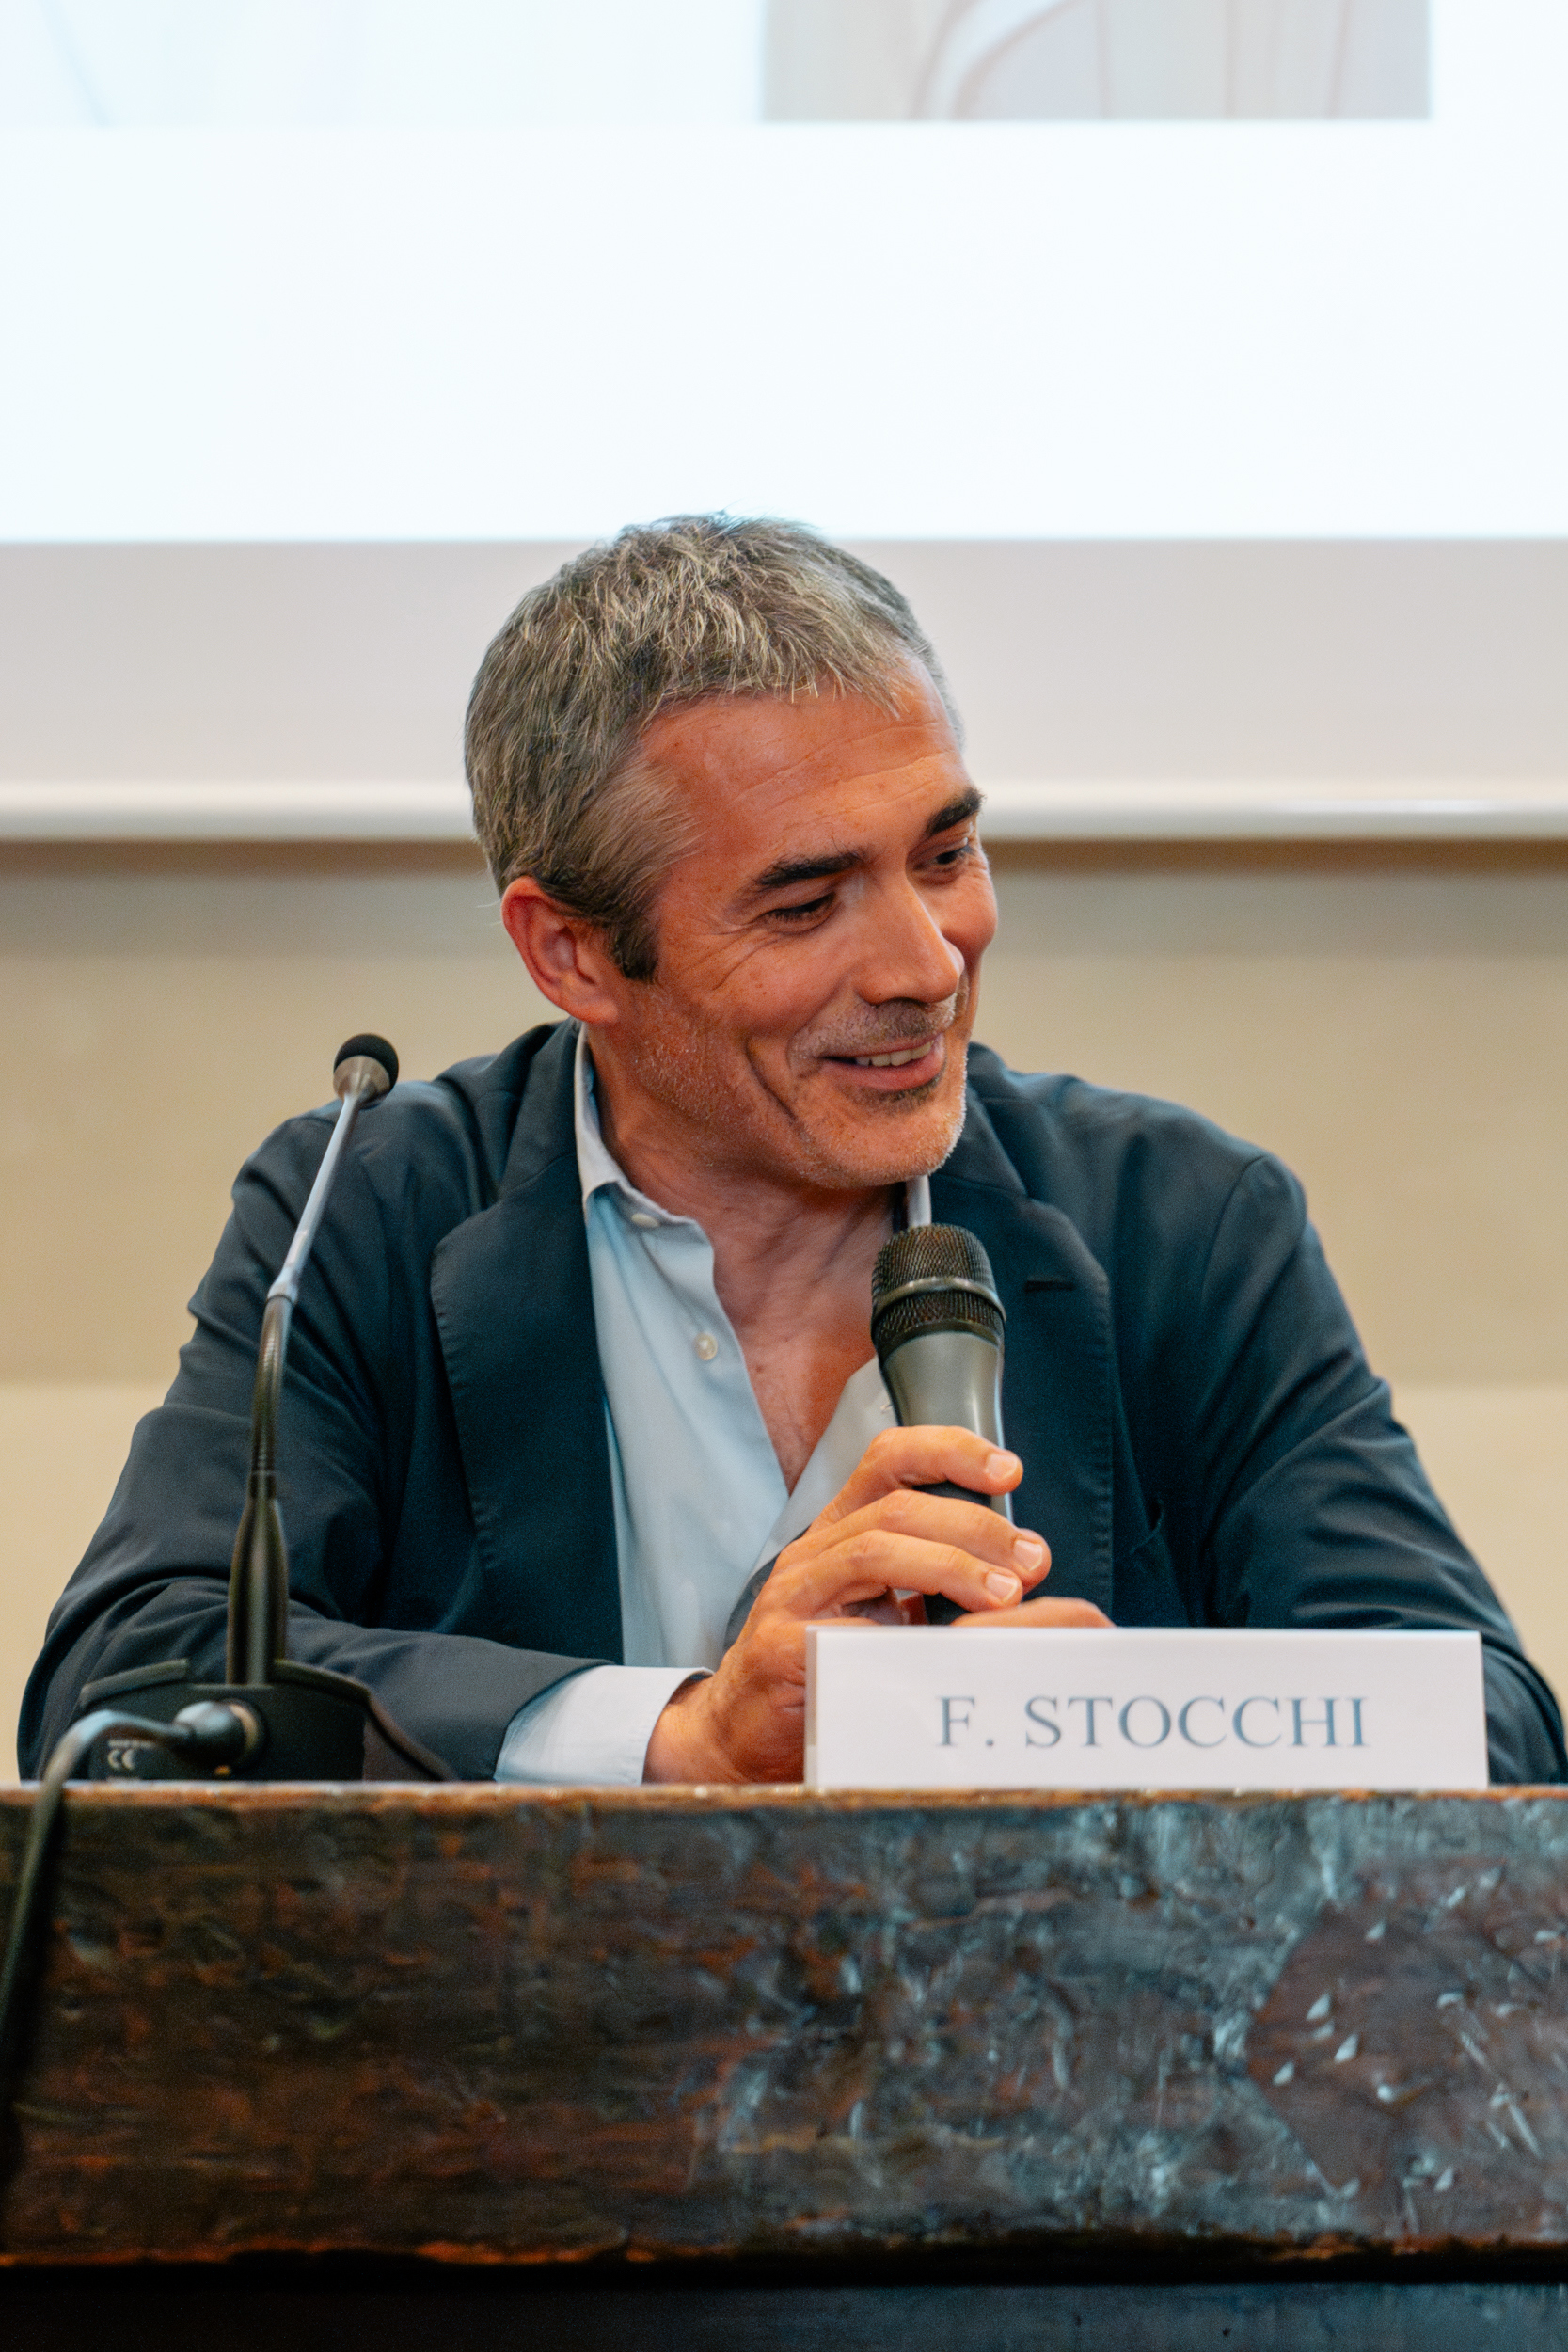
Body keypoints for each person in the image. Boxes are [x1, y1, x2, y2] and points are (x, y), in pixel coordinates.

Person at [20, 517, 1563, 1785]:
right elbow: (130, 1689)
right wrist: (681, 1739)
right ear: (571, 955)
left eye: (946, 854)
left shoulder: (1180, 1223)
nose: (925, 963)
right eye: (807, 903)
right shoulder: (369, 1209)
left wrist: (1085, 1730)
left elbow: (1488, 1719)